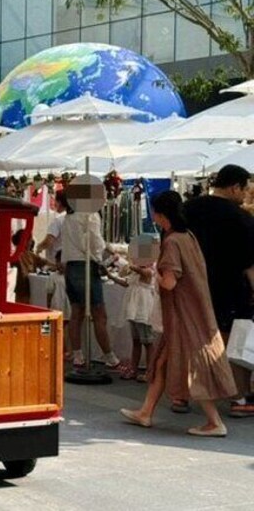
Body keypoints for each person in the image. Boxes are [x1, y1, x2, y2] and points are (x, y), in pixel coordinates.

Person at [120, 191, 237, 437]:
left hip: (183, 317)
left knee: (193, 367)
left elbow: (170, 283)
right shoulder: (188, 236)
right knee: (161, 362)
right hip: (192, 313)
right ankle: (146, 412)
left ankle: (214, 422)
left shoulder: (172, 241)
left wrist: (154, 272)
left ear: (160, 214)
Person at [184, 164, 254, 418]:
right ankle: (240, 397)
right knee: (233, 342)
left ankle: (181, 395)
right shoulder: (242, 219)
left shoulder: (188, 209)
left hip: (192, 287)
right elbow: (249, 264)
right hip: (231, 290)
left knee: (190, 339)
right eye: (246, 189)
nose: (246, 195)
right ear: (235, 187)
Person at [61, 205, 123, 371]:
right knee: (99, 315)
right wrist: (101, 260)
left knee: (76, 313)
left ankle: (78, 355)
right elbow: (95, 242)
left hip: (71, 267)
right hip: (86, 267)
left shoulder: (69, 216)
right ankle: (110, 357)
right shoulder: (91, 215)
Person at [108, 263, 158, 381]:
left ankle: (150, 372)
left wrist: (127, 263)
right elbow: (126, 282)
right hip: (134, 310)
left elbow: (145, 273)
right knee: (136, 341)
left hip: (144, 311)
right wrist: (110, 276)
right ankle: (133, 369)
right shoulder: (136, 271)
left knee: (148, 343)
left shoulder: (151, 269)